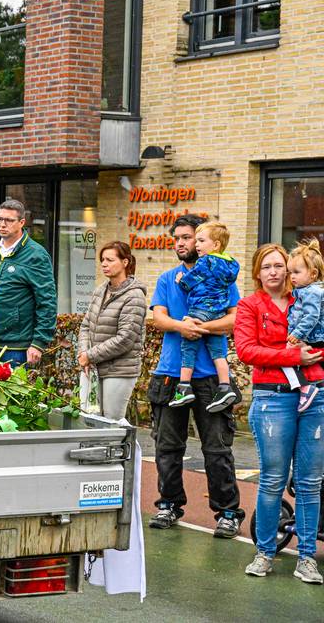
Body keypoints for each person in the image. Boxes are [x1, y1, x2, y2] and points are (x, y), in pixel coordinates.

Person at [147, 214, 244, 537]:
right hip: (170, 375)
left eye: (188, 237)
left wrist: (202, 327)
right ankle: (169, 505)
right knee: (167, 447)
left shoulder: (222, 276)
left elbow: (235, 320)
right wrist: (182, 326)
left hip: (210, 379)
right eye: (177, 238)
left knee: (217, 449)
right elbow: (159, 319)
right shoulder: (167, 278)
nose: (181, 243)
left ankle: (227, 512)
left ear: (205, 241)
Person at [234, 243, 324, 584]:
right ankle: (265, 553)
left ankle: (307, 558)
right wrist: (293, 356)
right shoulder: (249, 306)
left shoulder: (306, 297)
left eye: (279, 265)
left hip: (316, 396)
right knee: (272, 479)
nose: (274, 271)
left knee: (310, 482)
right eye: (266, 266)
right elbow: (246, 351)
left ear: (289, 269)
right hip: (272, 398)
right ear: (257, 273)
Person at [0, 199, 56, 367]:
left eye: (9, 220)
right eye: (0, 219)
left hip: (14, 346)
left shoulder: (36, 255)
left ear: (22, 222)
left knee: (12, 386)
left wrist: (38, 342)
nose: (2, 224)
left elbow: (47, 301)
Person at [169, 221, 240, 411]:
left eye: (201, 241)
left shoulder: (205, 261)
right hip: (218, 313)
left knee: (188, 346)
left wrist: (181, 281)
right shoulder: (230, 264)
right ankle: (225, 387)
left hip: (201, 308)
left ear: (216, 245)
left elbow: (191, 281)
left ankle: (184, 387)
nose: (197, 245)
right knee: (218, 353)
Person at [77, 241, 147, 421]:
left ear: (125, 262)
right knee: (88, 418)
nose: (104, 264)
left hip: (119, 370)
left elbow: (125, 339)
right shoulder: (100, 290)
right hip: (92, 367)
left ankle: (128, 441)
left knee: (112, 421)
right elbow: (85, 326)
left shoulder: (134, 296)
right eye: (102, 260)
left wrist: (90, 355)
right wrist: (83, 354)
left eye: (110, 260)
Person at [281, 239, 324, 410]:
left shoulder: (311, 292)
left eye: (296, 272)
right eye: (290, 272)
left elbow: (311, 316)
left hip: (313, 337)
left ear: (313, 274)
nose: (292, 277)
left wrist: (297, 333)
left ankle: (305, 388)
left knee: (285, 357)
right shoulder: (305, 290)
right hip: (312, 336)